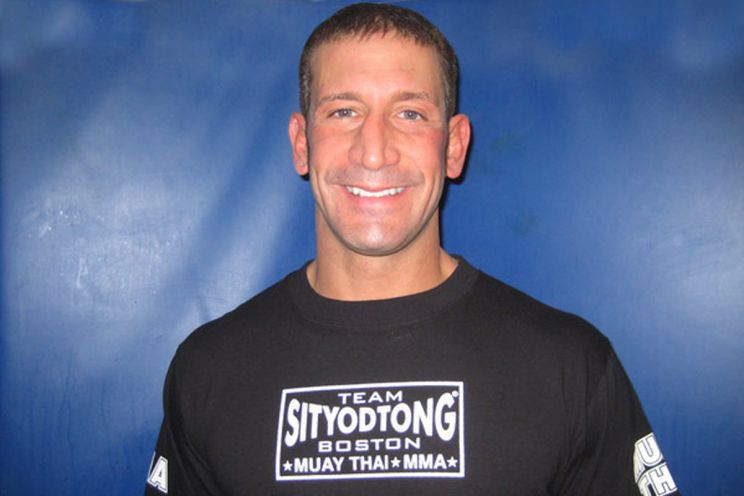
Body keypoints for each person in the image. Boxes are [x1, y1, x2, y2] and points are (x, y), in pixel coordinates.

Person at [145, 3, 680, 495]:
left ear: (454, 147)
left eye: (410, 114)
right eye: (344, 111)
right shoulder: (208, 369)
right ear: (302, 143)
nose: (374, 152)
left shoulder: (570, 366)